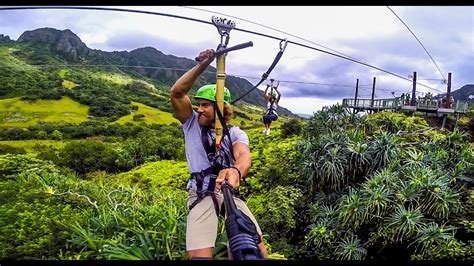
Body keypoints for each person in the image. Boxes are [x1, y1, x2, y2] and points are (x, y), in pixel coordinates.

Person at [170, 48, 268, 260]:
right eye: (199, 104)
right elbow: (177, 93)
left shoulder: (234, 133)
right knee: (199, 255)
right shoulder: (191, 125)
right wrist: (203, 64)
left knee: (252, 246)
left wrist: (236, 170)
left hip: (229, 191)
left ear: (221, 108)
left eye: (206, 105)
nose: (200, 109)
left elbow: (243, 156)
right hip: (201, 192)